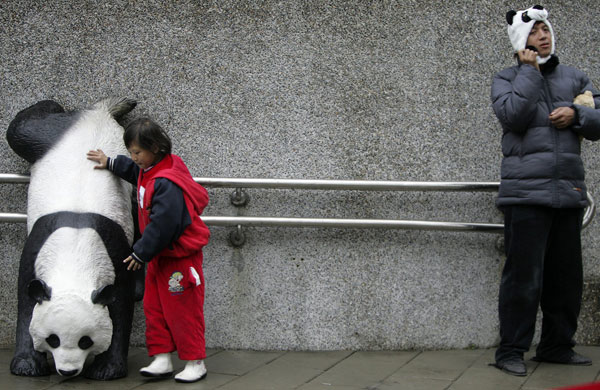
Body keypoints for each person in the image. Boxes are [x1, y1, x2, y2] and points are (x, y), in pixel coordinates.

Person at [490, 5, 600, 376]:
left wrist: (577, 115)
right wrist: (529, 72)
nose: (543, 35)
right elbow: (514, 116)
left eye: (546, 29)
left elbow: (598, 120)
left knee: (565, 279)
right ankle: (510, 351)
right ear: (521, 39)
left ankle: (556, 346)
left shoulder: (575, 79)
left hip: (568, 192)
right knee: (523, 279)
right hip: (525, 195)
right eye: (535, 31)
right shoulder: (506, 79)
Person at [87, 117, 210, 383]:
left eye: (137, 152)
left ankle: (194, 361)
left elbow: (163, 225)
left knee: (183, 311)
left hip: (178, 259)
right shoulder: (152, 169)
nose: (134, 158)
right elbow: (135, 172)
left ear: (155, 148)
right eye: (131, 152)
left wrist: (141, 251)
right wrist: (110, 162)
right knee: (155, 308)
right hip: (159, 257)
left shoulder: (167, 182)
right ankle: (162, 358)